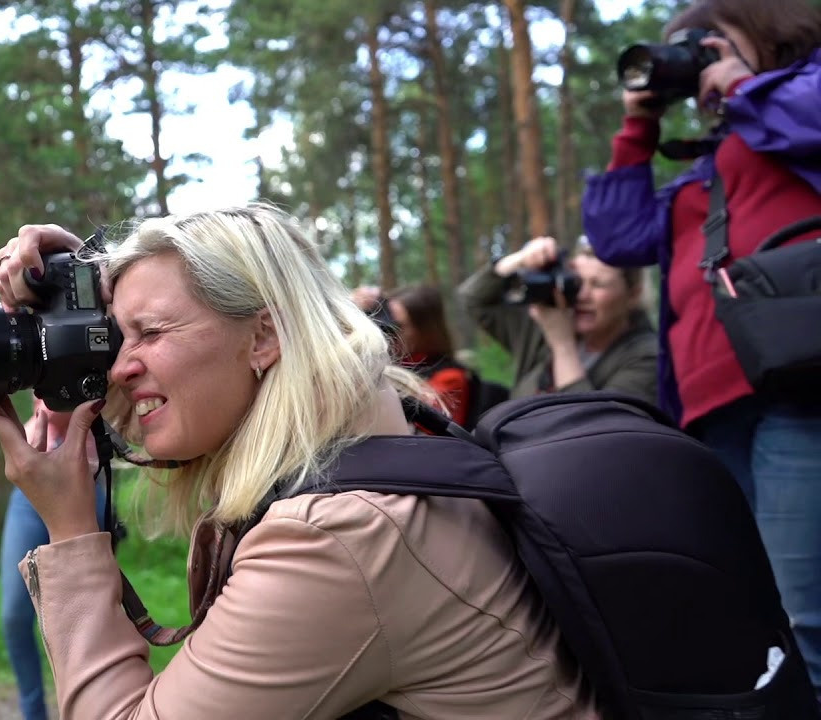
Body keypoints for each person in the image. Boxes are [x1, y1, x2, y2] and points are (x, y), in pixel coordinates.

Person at [0, 204, 599, 719]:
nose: (124, 365)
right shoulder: (372, 441)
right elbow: (182, 387)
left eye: (150, 333)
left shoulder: (335, 539)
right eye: (121, 336)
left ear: (264, 336)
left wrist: (73, 532)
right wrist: (91, 292)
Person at [580, 0, 821, 699]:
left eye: (709, 41)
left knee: (806, 616)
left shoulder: (792, 105)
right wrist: (639, 125)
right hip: (712, 409)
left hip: (799, 390)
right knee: (756, 617)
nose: (696, 58)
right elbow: (619, 238)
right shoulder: (710, 165)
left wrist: (744, 83)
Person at [0, 397, 105, 720]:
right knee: (14, 616)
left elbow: (57, 414)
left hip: (84, 489)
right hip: (29, 493)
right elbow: (48, 413)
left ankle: (85, 710)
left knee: (84, 621)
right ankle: (34, 713)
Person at [458, 236, 658, 402]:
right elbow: (474, 299)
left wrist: (562, 346)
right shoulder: (545, 325)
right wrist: (520, 259)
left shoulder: (648, 358)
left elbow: (598, 434)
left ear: (633, 294)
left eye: (598, 285)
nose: (582, 295)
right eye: (577, 282)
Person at [352, 284, 471, 426]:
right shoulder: (387, 363)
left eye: (397, 325)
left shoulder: (450, 377)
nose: (386, 333)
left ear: (426, 330)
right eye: (382, 322)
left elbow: (425, 424)